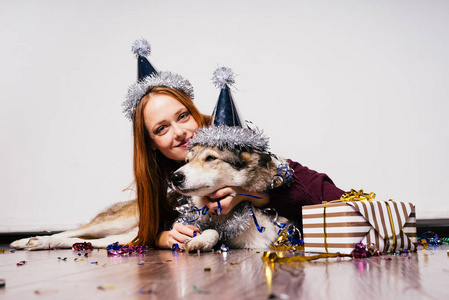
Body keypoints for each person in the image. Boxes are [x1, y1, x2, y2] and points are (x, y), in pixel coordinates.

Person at [125, 39, 344, 249]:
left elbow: (334, 198)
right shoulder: (163, 173)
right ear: (150, 142)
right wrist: (164, 237)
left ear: (194, 112)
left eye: (182, 116)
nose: (180, 132)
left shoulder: (236, 145)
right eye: (161, 128)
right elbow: (149, 229)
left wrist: (250, 194)